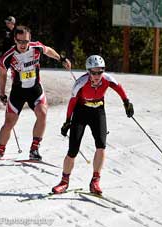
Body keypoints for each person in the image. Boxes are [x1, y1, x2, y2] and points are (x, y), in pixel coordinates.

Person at [0, 25, 71, 161]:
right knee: (9, 123)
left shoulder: (36, 47)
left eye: (25, 41)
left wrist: (61, 59)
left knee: (42, 114)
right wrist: (2, 94)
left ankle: (34, 149)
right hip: (18, 92)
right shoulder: (8, 56)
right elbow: (2, 75)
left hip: (35, 89)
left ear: (29, 39)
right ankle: (0, 150)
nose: (23, 44)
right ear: (15, 40)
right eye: (20, 41)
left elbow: (48, 50)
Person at [52, 55, 134, 195]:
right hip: (81, 112)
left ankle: (95, 181)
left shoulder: (107, 79)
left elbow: (119, 88)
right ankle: (64, 182)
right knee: (73, 150)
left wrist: (126, 102)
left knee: (101, 146)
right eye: (93, 72)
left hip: (98, 112)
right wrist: (67, 121)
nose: (97, 75)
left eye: (100, 71)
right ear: (88, 71)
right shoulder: (81, 82)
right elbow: (72, 102)